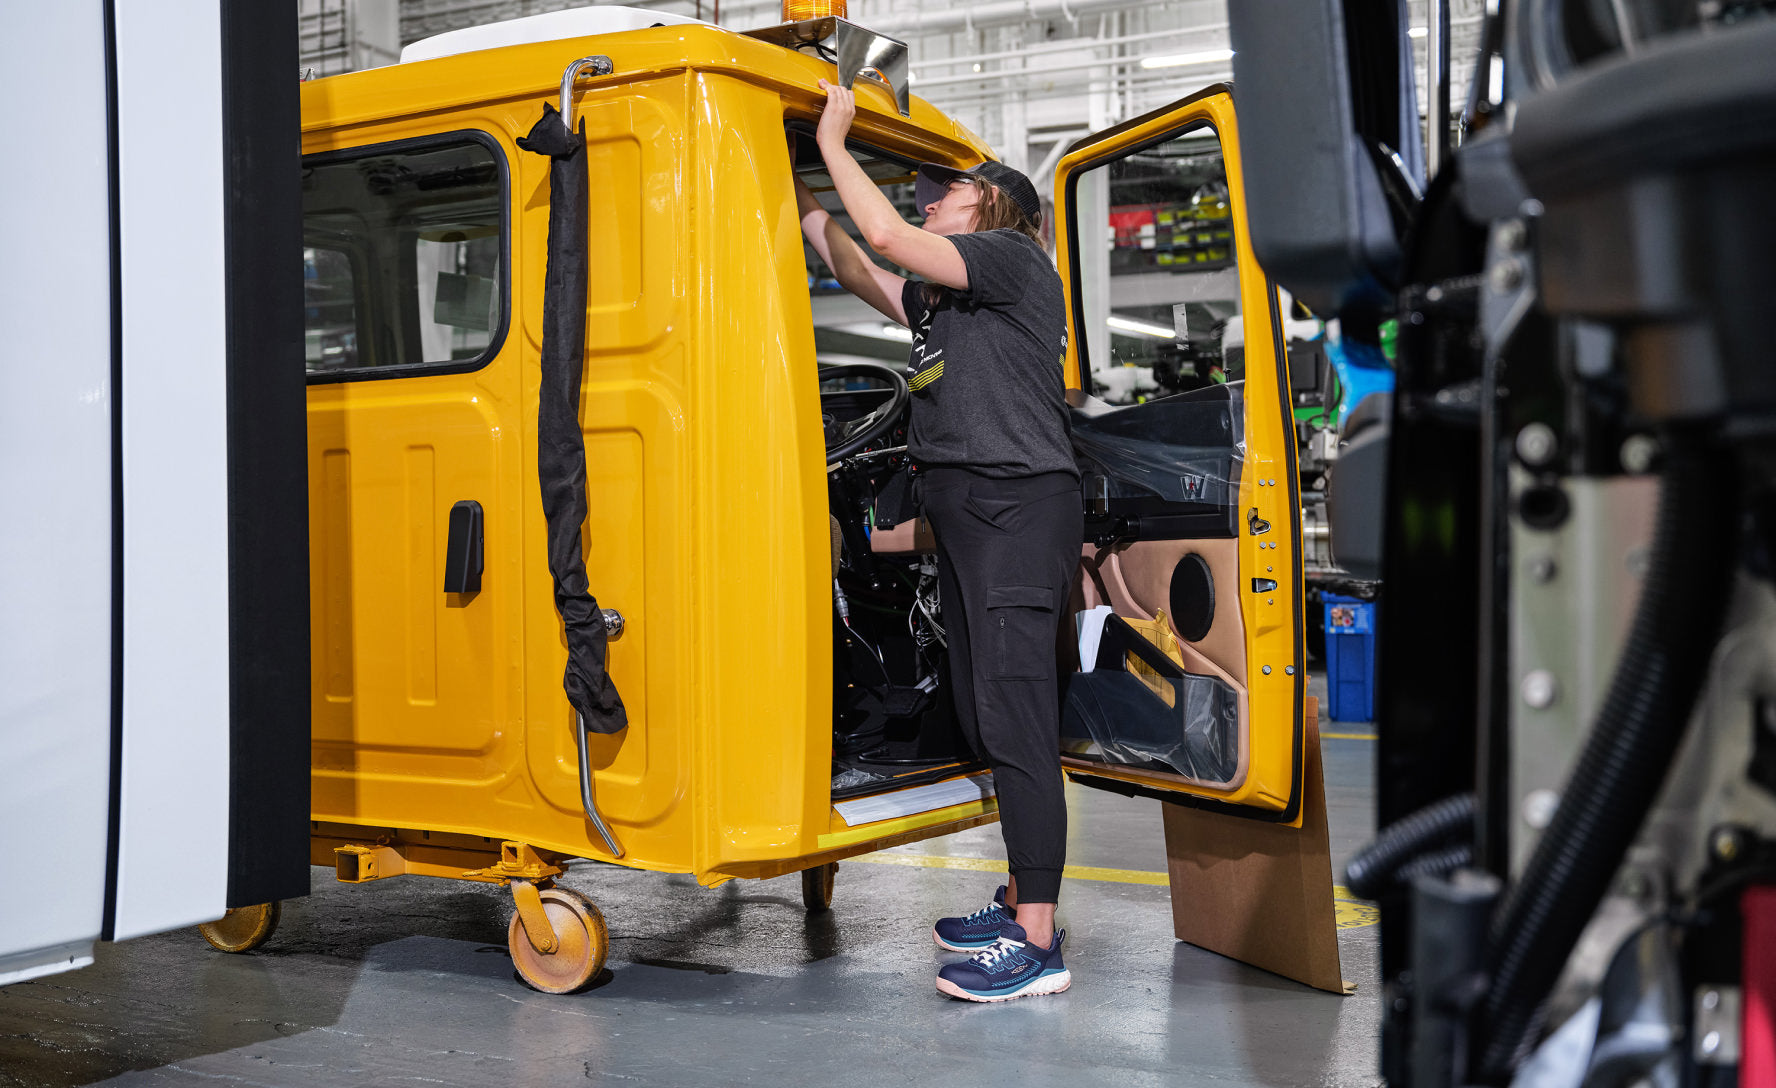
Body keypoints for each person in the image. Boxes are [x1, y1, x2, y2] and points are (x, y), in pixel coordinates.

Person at [793, 80, 1083, 1003]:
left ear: (990, 204)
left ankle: (1037, 943)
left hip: (1014, 510)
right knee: (980, 705)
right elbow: (858, 266)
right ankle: (1019, 899)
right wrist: (795, 189)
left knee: (1015, 715)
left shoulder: (1012, 258)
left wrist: (837, 141)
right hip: (969, 518)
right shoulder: (949, 305)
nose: (925, 204)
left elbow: (884, 235)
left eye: (942, 193)